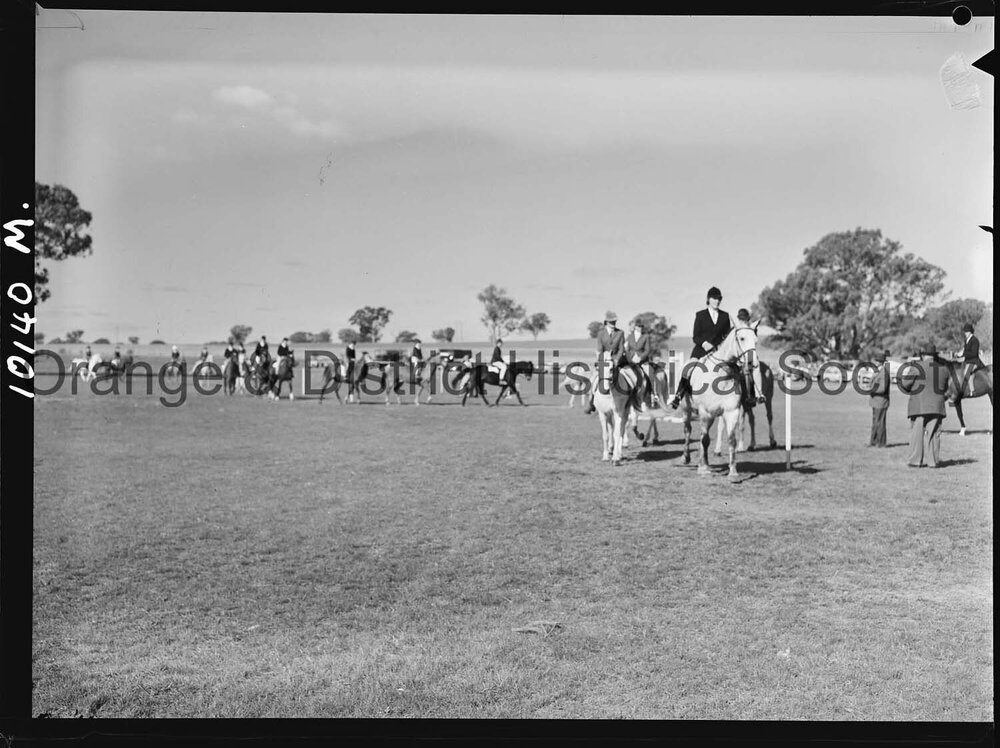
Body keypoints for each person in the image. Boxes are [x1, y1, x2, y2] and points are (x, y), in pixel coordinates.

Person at [670, 287, 733, 409]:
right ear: (708, 299)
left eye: (719, 299)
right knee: (687, 369)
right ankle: (678, 396)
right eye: (714, 298)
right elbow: (696, 336)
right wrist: (704, 343)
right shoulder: (700, 315)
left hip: (719, 353)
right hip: (701, 351)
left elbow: (727, 336)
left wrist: (719, 346)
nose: (717, 301)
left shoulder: (725, 316)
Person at [897, 342, 950, 468]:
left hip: (919, 405)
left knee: (917, 434)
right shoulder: (944, 369)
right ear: (933, 355)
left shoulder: (916, 367)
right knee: (933, 435)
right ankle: (933, 461)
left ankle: (915, 461)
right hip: (937, 406)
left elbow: (905, 384)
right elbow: (946, 389)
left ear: (923, 355)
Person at [583, 311, 626, 415]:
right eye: (611, 322)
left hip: (616, 361)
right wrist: (602, 359)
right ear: (606, 322)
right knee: (593, 379)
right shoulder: (601, 334)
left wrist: (616, 360)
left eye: (614, 321)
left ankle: (633, 400)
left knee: (630, 377)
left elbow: (621, 349)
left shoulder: (620, 333)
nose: (613, 323)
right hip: (604, 360)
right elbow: (599, 348)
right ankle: (591, 401)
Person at [625, 317, 657, 407]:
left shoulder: (646, 336)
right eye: (639, 326)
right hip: (631, 361)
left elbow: (647, 350)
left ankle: (652, 395)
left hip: (642, 361)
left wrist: (640, 357)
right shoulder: (629, 336)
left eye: (642, 326)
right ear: (635, 327)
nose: (640, 327)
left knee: (650, 373)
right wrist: (630, 358)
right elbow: (627, 349)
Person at [867, 349, 891, 447]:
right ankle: (873, 441)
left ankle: (881, 442)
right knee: (875, 422)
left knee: (880, 422)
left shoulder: (884, 373)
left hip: (881, 401)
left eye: (876, 361)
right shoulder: (878, 372)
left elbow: (882, 388)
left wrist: (871, 390)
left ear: (879, 362)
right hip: (875, 401)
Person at [954, 322, 984, 398]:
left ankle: (972, 391)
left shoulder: (975, 340)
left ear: (971, 332)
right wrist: (958, 354)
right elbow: (964, 349)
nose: (965, 333)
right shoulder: (966, 340)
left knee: (966, 372)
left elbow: (974, 353)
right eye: (965, 332)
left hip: (974, 362)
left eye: (967, 332)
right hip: (967, 361)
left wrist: (963, 354)